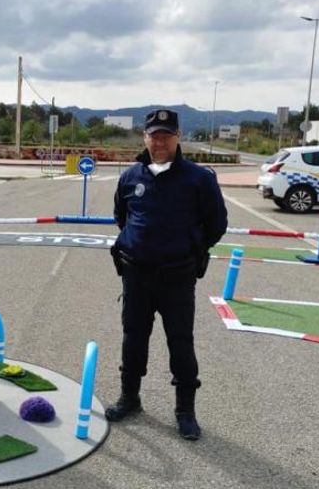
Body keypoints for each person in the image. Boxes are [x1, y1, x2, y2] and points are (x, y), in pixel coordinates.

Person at [107, 109, 228, 440]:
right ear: (144, 138)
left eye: (166, 135)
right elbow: (122, 216)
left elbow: (217, 225)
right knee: (133, 338)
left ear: (178, 138)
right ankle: (130, 399)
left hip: (177, 277)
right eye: (153, 135)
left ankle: (185, 411)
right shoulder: (131, 176)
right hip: (136, 275)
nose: (159, 142)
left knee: (181, 343)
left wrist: (189, 248)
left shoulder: (199, 179)